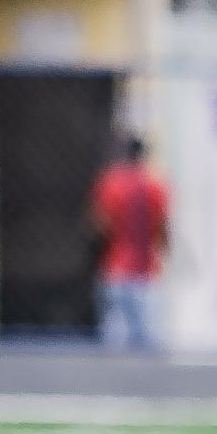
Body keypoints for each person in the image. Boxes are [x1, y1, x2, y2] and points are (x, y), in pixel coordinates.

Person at [87, 135, 166, 351]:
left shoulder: (111, 184)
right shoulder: (155, 186)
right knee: (148, 341)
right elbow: (162, 228)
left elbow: (100, 226)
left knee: (115, 343)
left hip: (116, 268)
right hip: (147, 271)